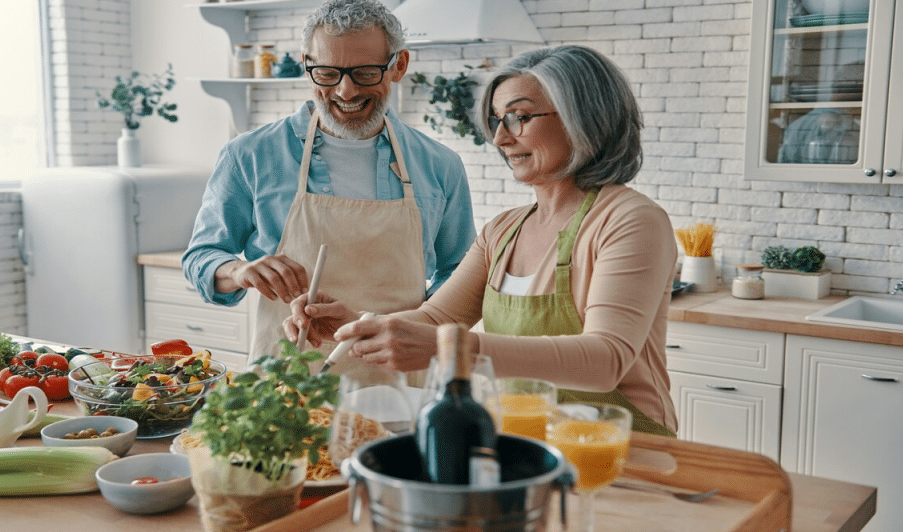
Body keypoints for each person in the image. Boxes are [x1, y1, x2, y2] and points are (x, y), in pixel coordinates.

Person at [286, 45, 679, 435]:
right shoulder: (503, 231)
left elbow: (605, 360)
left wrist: (450, 348)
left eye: (520, 117)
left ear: (586, 119)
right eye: (497, 121)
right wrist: (358, 325)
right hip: (523, 443)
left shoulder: (631, 220)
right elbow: (435, 319)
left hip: (624, 448)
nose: (501, 138)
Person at [182, 0, 476, 367]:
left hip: (401, 381)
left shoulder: (440, 165)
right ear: (306, 65)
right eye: (327, 73)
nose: (345, 91)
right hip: (286, 385)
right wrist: (239, 271)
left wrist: (418, 331)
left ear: (398, 65)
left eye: (366, 73)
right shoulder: (249, 155)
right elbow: (201, 258)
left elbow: (461, 280)